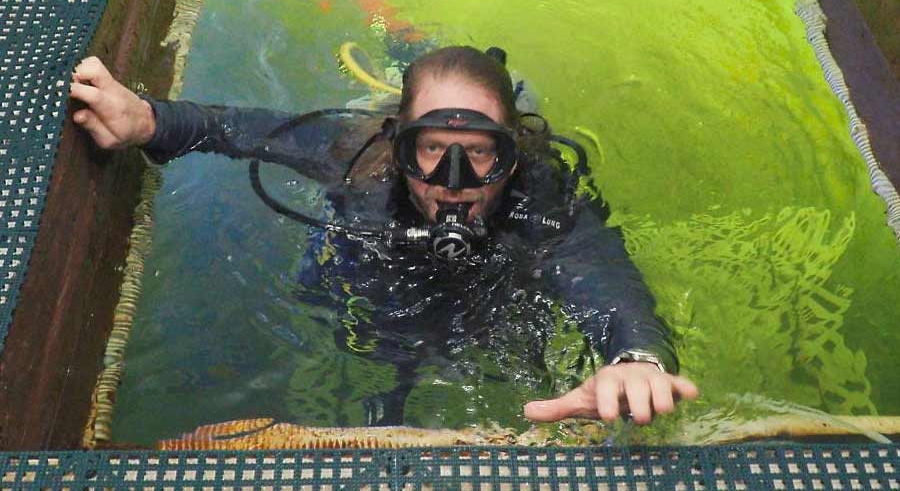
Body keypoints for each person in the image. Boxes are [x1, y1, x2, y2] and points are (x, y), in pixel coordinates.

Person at [70, 47, 698, 427]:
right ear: (399, 147)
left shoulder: (541, 200)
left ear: (514, 152)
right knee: (376, 348)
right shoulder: (356, 157)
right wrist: (147, 119)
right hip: (377, 294)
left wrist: (634, 358)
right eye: (431, 149)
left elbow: (604, 277)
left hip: (493, 301)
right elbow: (241, 127)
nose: (453, 183)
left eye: (479, 153)